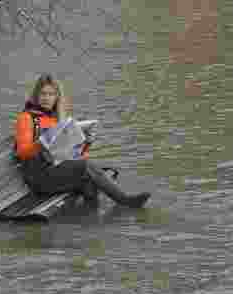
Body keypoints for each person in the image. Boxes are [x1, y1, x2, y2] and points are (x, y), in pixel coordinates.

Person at [14, 74, 150, 207]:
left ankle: (91, 221)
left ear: (57, 97)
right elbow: (22, 152)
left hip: (57, 170)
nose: (47, 98)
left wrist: (86, 143)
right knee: (85, 167)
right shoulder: (27, 118)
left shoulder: (57, 119)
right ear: (36, 96)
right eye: (43, 94)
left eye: (51, 94)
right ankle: (124, 201)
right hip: (40, 178)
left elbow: (74, 154)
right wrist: (43, 142)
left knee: (88, 181)